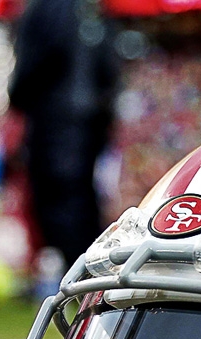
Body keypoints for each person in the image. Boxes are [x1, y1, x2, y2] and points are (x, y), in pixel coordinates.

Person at [10, 0, 119, 297]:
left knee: (60, 202)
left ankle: (78, 283)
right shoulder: (89, 8)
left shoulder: (49, 7)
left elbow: (39, 56)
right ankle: (91, 280)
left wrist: (17, 92)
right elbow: (109, 64)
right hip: (86, 116)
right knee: (80, 199)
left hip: (57, 115)